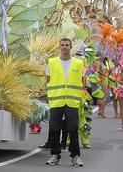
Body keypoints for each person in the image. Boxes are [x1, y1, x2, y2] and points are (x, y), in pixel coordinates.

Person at [46, 37, 87, 167]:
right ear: (59, 47)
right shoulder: (52, 62)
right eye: (62, 45)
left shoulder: (79, 63)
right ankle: (55, 155)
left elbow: (82, 81)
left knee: (73, 129)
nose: (64, 47)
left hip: (72, 101)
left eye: (67, 45)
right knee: (54, 129)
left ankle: (75, 156)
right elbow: (47, 80)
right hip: (56, 100)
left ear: (71, 47)